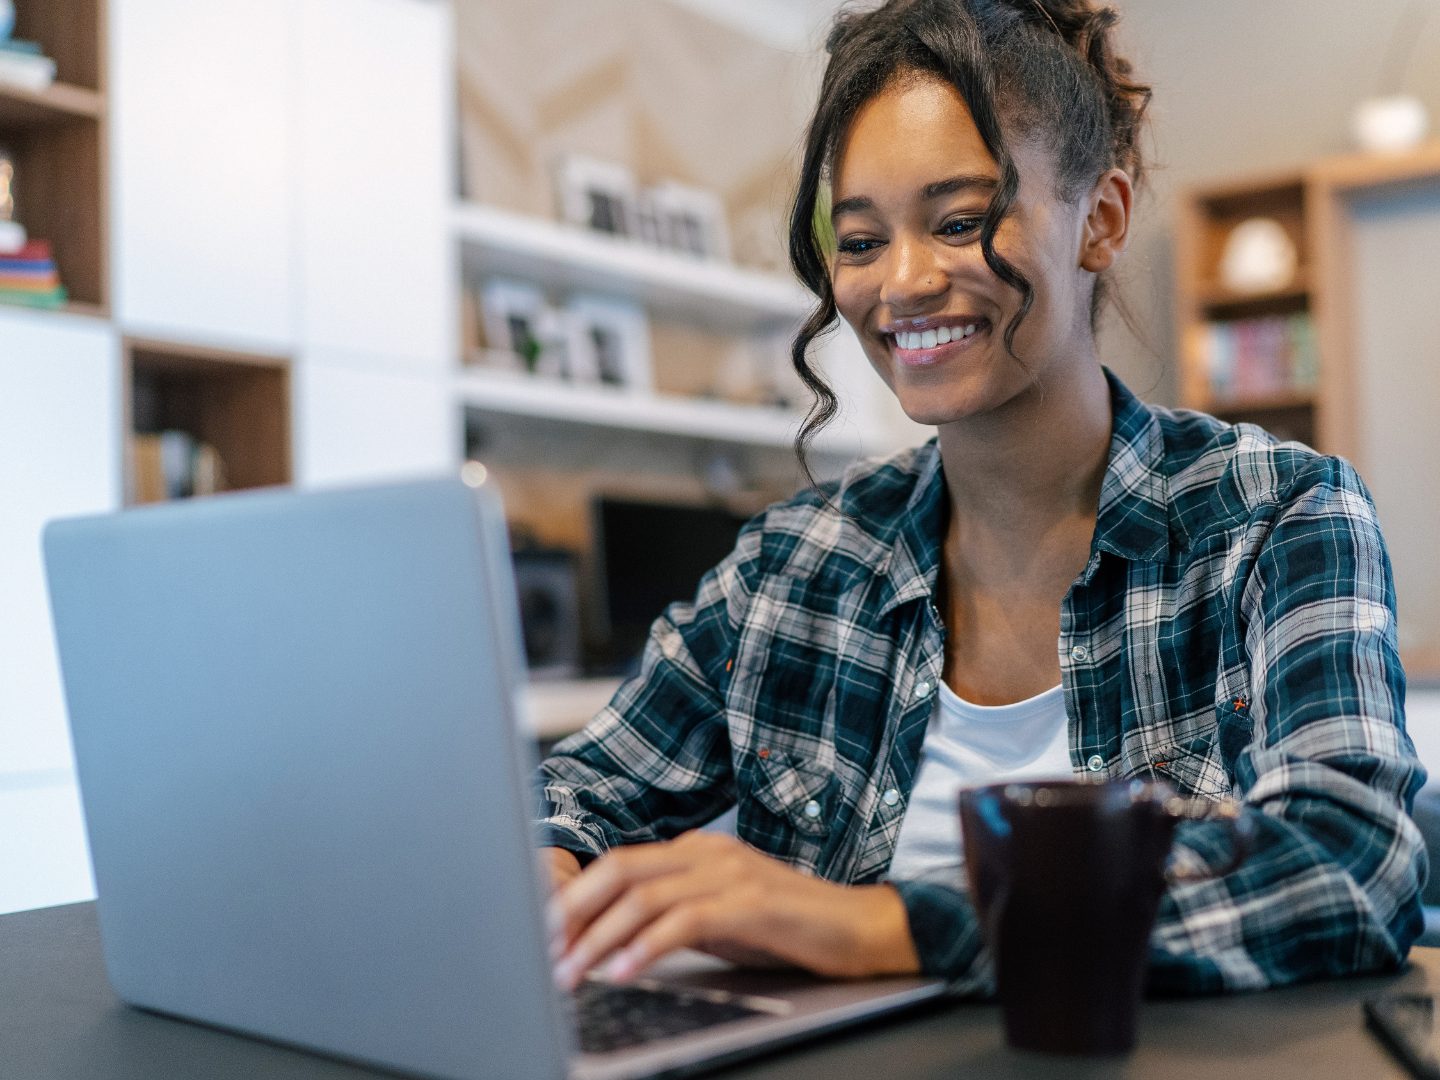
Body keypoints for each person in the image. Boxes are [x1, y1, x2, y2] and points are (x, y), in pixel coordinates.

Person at [538, 0, 1429, 995]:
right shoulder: (789, 568)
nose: (902, 283)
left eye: (959, 222)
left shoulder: (1277, 517)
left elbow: (1355, 860)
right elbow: (572, 792)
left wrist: (878, 926)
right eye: (861, 241)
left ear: (1102, 219)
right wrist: (545, 869)